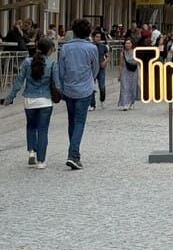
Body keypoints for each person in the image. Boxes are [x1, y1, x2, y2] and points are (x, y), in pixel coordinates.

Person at [2, 36, 61, 169]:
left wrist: (10, 98)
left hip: (29, 100)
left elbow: (18, 82)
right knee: (43, 130)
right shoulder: (52, 65)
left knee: (30, 126)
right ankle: (41, 161)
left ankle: (31, 153)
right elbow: (58, 85)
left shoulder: (27, 62)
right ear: (49, 50)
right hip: (45, 101)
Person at [57, 18, 99, 170]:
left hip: (69, 88)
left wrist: (61, 86)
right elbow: (95, 68)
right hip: (85, 89)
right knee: (80, 122)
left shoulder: (65, 48)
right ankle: (73, 154)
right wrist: (90, 80)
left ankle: (74, 152)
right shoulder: (92, 48)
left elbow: (61, 69)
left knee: (72, 121)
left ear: (73, 31)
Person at [90, 30, 110, 110]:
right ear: (93, 37)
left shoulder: (103, 46)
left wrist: (105, 62)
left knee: (102, 86)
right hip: (92, 69)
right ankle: (92, 105)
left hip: (101, 69)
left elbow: (108, 56)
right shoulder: (90, 46)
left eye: (99, 37)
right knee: (91, 87)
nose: (98, 39)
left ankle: (102, 100)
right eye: (97, 37)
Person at [118, 38, 140, 110]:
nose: (127, 45)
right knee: (124, 87)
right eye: (126, 43)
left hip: (134, 72)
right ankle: (125, 103)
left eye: (129, 43)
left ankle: (131, 102)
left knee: (132, 87)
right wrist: (119, 74)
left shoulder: (135, 52)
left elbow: (139, 63)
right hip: (125, 71)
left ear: (132, 44)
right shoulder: (122, 53)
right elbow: (121, 64)